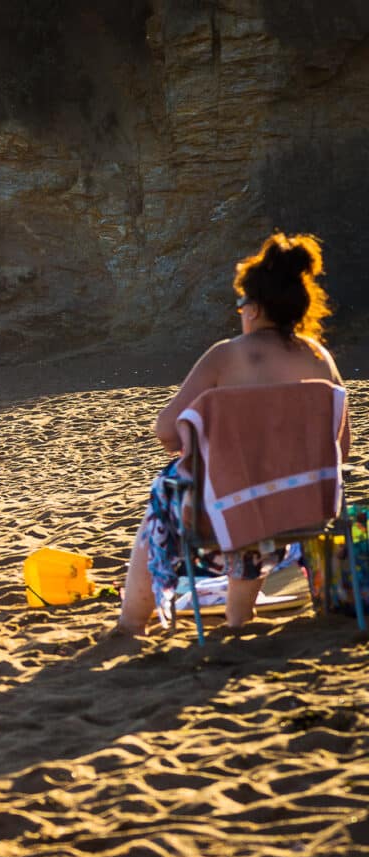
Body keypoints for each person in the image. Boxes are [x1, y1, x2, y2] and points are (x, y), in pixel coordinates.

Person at [115, 233, 347, 635]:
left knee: (170, 490)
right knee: (259, 485)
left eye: (241, 305)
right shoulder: (320, 360)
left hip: (219, 515)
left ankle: (131, 623)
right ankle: (240, 615)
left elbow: (166, 431)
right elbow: (340, 445)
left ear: (254, 309)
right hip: (303, 507)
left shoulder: (227, 355)